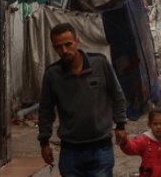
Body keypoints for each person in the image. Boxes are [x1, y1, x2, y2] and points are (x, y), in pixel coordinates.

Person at [38, 23, 127, 176]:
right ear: (54, 48)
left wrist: (120, 124)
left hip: (101, 147)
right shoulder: (52, 75)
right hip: (70, 150)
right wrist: (44, 142)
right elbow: (46, 111)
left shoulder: (100, 63)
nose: (64, 51)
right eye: (59, 47)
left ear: (77, 42)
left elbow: (117, 95)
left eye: (68, 44)